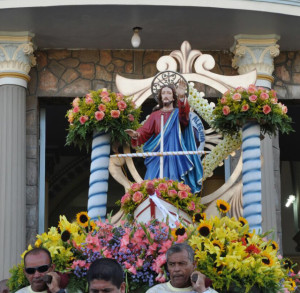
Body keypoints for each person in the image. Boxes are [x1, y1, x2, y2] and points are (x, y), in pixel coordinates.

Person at [125, 81, 203, 193]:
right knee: (151, 182)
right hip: (157, 156)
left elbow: (184, 119)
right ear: (160, 97)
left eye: (169, 93)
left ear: (173, 97)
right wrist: (137, 134)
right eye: (163, 93)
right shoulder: (155, 115)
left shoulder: (177, 113)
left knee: (173, 184)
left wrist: (182, 97)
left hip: (174, 155)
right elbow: (145, 131)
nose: (166, 95)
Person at [146, 243, 218, 293]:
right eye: (172, 264)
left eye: (182, 263)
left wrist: (202, 290)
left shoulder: (206, 291)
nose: (177, 269)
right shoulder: (155, 291)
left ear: (194, 264)